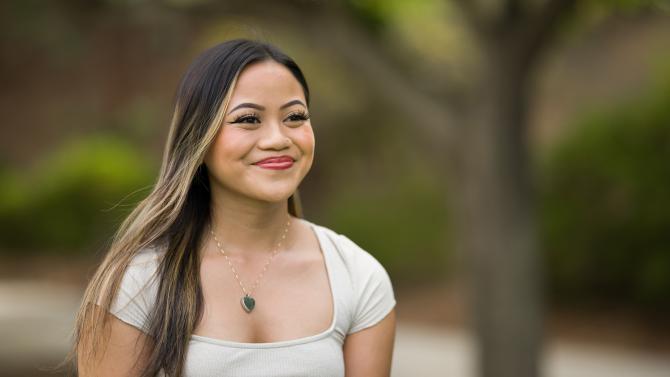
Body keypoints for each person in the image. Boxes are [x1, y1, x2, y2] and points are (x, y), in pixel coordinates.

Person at [70, 39, 396, 377]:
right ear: (199, 137)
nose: (278, 139)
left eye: (295, 117)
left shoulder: (357, 277)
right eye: (249, 119)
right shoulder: (138, 283)